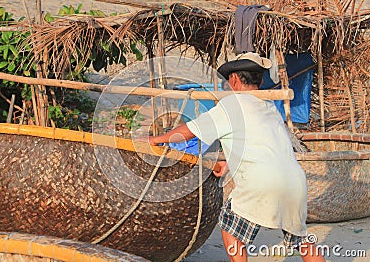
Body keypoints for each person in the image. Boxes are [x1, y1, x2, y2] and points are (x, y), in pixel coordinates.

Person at [139, 52, 325, 262]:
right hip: (295, 181)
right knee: (301, 238)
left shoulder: (230, 106)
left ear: (234, 79)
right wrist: (228, 163)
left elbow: (190, 130)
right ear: (261, 80)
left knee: (230, 226)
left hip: (263, 182)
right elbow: (263, 145)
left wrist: (156, 139)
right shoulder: (268, 106)